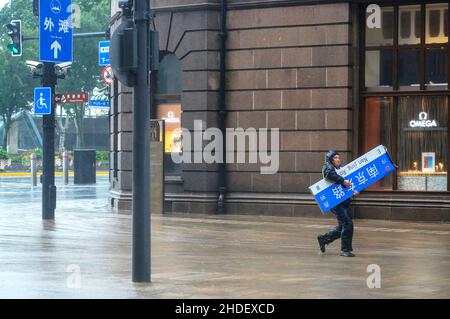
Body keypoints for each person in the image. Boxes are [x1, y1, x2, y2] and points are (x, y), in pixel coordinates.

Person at [317, 150, 359, 257]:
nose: (338, 159)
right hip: (335, 203)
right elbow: (330, 175)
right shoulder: (327, 167)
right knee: (347, 224)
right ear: (331, 159)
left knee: (342, 227)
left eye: (338, 157)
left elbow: (348, 183)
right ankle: (345, 250)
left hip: (344, 201)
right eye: (335, 157)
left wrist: (353, 191)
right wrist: (343, 181)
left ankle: (324, 239)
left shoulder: (341, 169)